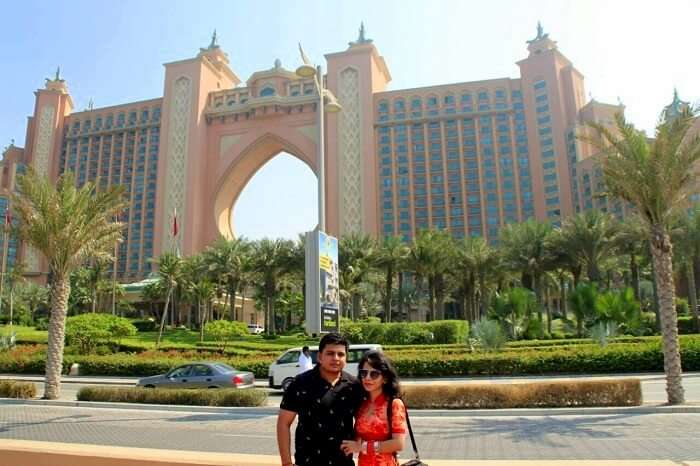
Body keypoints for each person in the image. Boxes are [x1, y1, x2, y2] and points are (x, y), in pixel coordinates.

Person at [277, 333, 363, 466]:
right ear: (319, 357)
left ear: (346, 358)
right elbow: (283, 423)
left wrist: (358, 442)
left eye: (340, 354)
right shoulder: (300, 383)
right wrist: (286, 462)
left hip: (342, 462)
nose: (336, 358)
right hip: (307, 461)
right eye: (330, 353)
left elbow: (364, 421)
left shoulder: (354, 386)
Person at [340, 350, 407, 466]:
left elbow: (399, 444)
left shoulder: (394, 404)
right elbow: (358, 437)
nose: (367, 378)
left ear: (385, 378)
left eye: (374, 374)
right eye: (363, 373)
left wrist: (361, 447)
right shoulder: (362, 404)